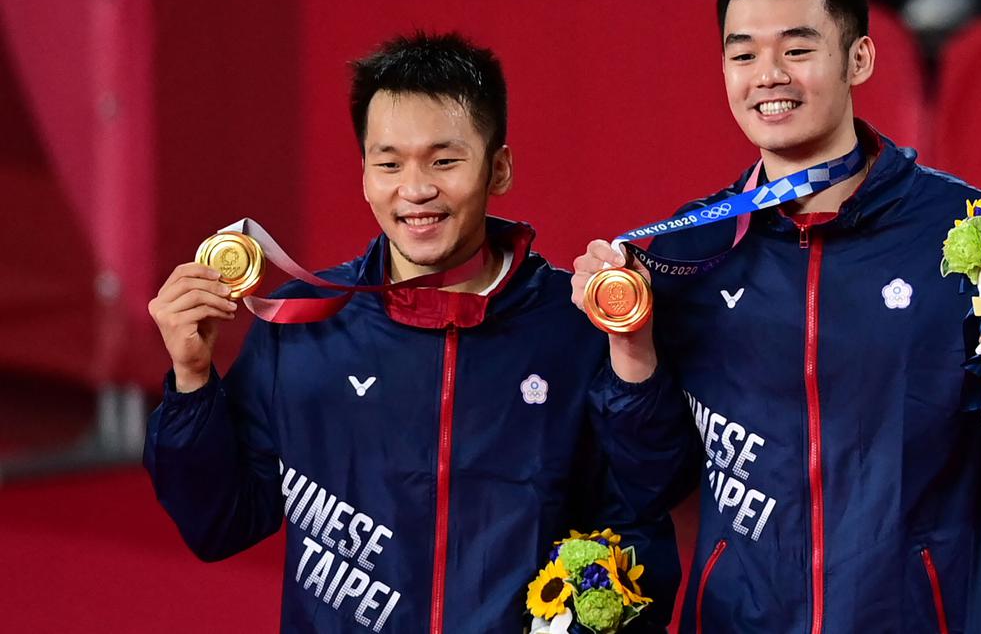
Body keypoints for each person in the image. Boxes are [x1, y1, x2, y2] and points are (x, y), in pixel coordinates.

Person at [572, 0, 981, 633]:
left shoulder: (976, 233)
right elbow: (649, 484)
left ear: (859, 60)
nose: (767, 77)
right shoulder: (685, 253)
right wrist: (630, 351)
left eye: (796, 49)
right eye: (742, 54)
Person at [144, 32, 696, 633]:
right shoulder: (301, 325)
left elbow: (645, 511)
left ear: (500, 168)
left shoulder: (574, 329)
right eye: (389, 163)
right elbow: (220, 523)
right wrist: (193, 378)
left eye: (444, 160)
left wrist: (599, 621)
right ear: (363, 175)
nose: (415, 189)